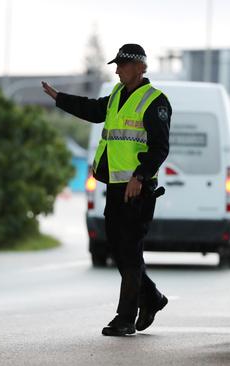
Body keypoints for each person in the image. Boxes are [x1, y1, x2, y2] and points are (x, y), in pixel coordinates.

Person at [42, 43, 171, 337]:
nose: (117, 70)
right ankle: (151, 297)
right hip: (115, 186)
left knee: (130, 249)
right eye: (116, 65)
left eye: (123, 65)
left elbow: (160, 148)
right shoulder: (116, 95)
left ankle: (125, 317)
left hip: (138, 189)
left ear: (141, 67)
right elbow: (93, 109)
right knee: (119, 249)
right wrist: (60, 98)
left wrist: (139, 177)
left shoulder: (155, 101)